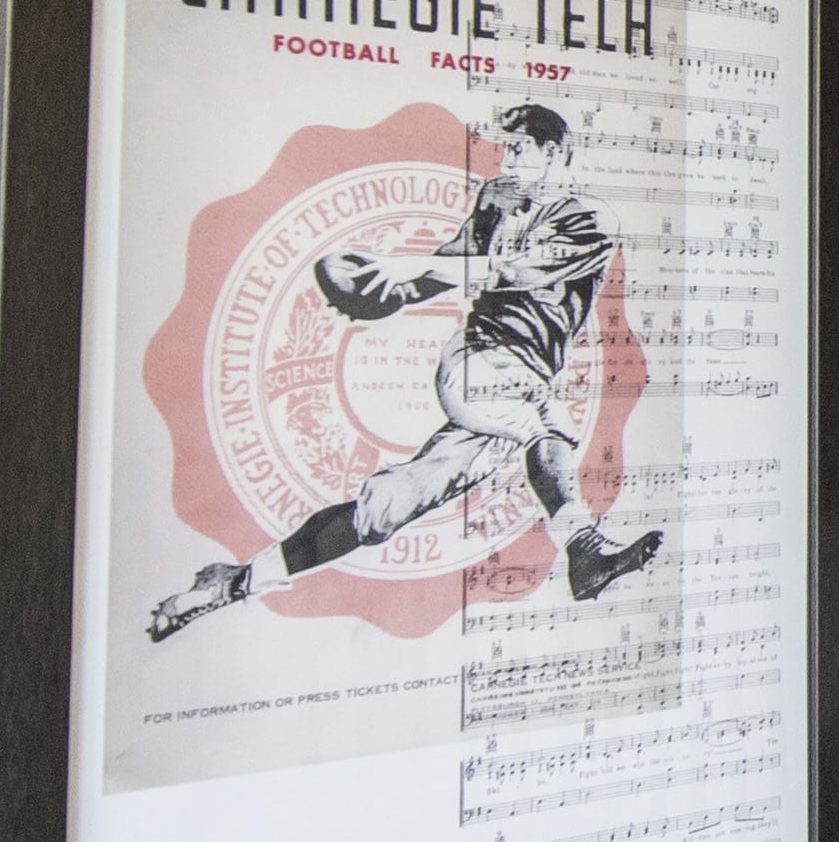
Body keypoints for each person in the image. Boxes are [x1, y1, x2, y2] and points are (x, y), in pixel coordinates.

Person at [147, 96, 666, 640]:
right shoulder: (496, 200)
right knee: (546, 420)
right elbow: (451, 262)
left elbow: (512, 271)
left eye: (519, 149)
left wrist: (401, 266)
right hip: (480, 364)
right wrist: (390, 292)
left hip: (519, 380)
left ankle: (230, 582)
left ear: (555, 152)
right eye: (503, 150)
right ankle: (583, 551)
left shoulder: (588, 217)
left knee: (387, 508)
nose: (505, 162)